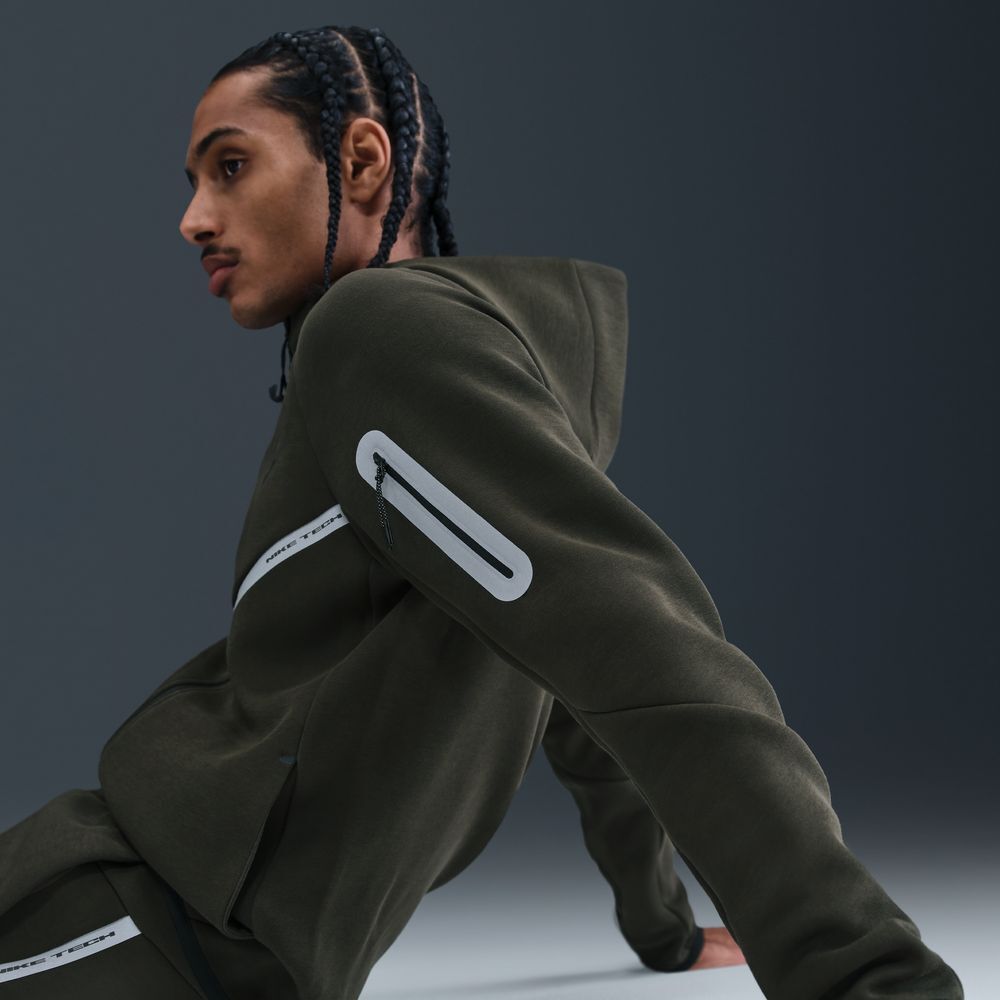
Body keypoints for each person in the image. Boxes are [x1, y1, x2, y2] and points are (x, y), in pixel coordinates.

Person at [0, 23, 963, 1000]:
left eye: (231, 166)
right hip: (115, 893)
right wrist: (661, 927)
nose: (192, 219)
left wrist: (867, 977)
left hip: (142, 919)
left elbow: (635, 648)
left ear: (362, 161)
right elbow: (574, 662)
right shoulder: (462, 375)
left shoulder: (371, 334)